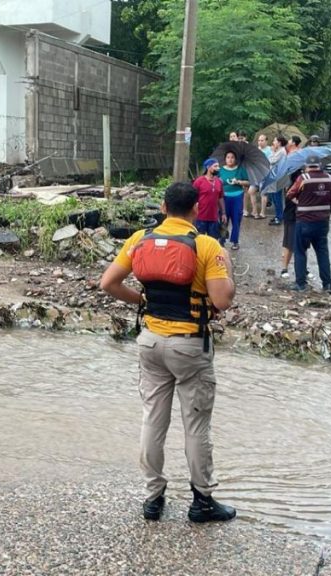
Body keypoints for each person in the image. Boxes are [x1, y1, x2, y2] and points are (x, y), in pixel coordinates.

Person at [99, 181, 238, 524]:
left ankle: (152, 498)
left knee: (152, 420)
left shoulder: (139, 239)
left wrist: (142, 301)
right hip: (190, 346)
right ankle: (202, 502)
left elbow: (108, 284)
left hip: (150, 343)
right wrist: (227, 266)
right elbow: (222, 300)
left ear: (163, 207)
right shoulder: (207, 246)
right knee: (196, 426)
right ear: (195, 210)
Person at [286, 160, 331, 292]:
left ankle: (300, 284)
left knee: (300, 252)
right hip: (323, 222)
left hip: (304, 222)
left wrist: (299, 202)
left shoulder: (303, 178)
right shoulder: (330, 178)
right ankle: (327, 284)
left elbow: (289, 194)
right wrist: (326, 213)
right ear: (319, 165)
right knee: (322, 253)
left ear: (307, 166)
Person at [218, 151, 249, 250]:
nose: (230, 159)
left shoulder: (241, 169)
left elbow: (248, 182)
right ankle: (222, 240)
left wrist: (238, 182)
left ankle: (235, 241)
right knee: (223, 219)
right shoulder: (220, 170)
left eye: (232, 157)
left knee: (236, 220)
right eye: (228, 157)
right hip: (224, 198)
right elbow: (215, 181)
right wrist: (220, 181)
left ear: (235, 159)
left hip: (237, 197)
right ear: (225, 159)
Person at [192, 158, 226, 240]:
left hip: (214, 218)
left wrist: (224, 213)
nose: (218, 168)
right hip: (200, 217)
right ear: (208, 167)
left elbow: (220, 198)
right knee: (199, 240)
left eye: (218, 166)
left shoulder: (219, 182)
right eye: (215, 166)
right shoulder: (199, 181)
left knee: (213, 241)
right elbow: (193, 198)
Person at [250, 133, 273, 219]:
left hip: (264, 174)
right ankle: (255, 211)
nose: (260, 142)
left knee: (263, 193)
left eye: (262, 140)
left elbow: (269, 162)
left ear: (266, 141)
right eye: (259, 140)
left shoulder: (269, 150)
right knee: (251, 191)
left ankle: (262, 212)